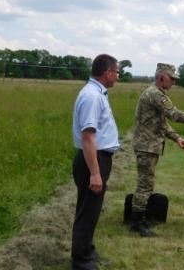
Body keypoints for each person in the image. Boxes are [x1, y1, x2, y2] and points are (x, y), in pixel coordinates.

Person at [131, 63, 184, 237]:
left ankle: (141, 217)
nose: (174, 83)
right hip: (147, 146)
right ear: (162, 77)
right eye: (172, 79)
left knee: (147, 184)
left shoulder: (156, 94)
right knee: (144, 185)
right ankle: (137, 223)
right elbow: (174, 114)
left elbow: (162, 123)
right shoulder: (155, 94)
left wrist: (177, 138)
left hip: (149, 145)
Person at [71, 54, 120, 270]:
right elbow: (88, 137)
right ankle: (81, 262)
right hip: (93, 160)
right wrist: (95, 172)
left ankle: (87, 251)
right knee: (87, 212)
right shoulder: (92, 96)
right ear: (107, 72)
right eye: (116, 72)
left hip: (97, 159)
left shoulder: (97, 93)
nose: (118, 76)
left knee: (91, 211)